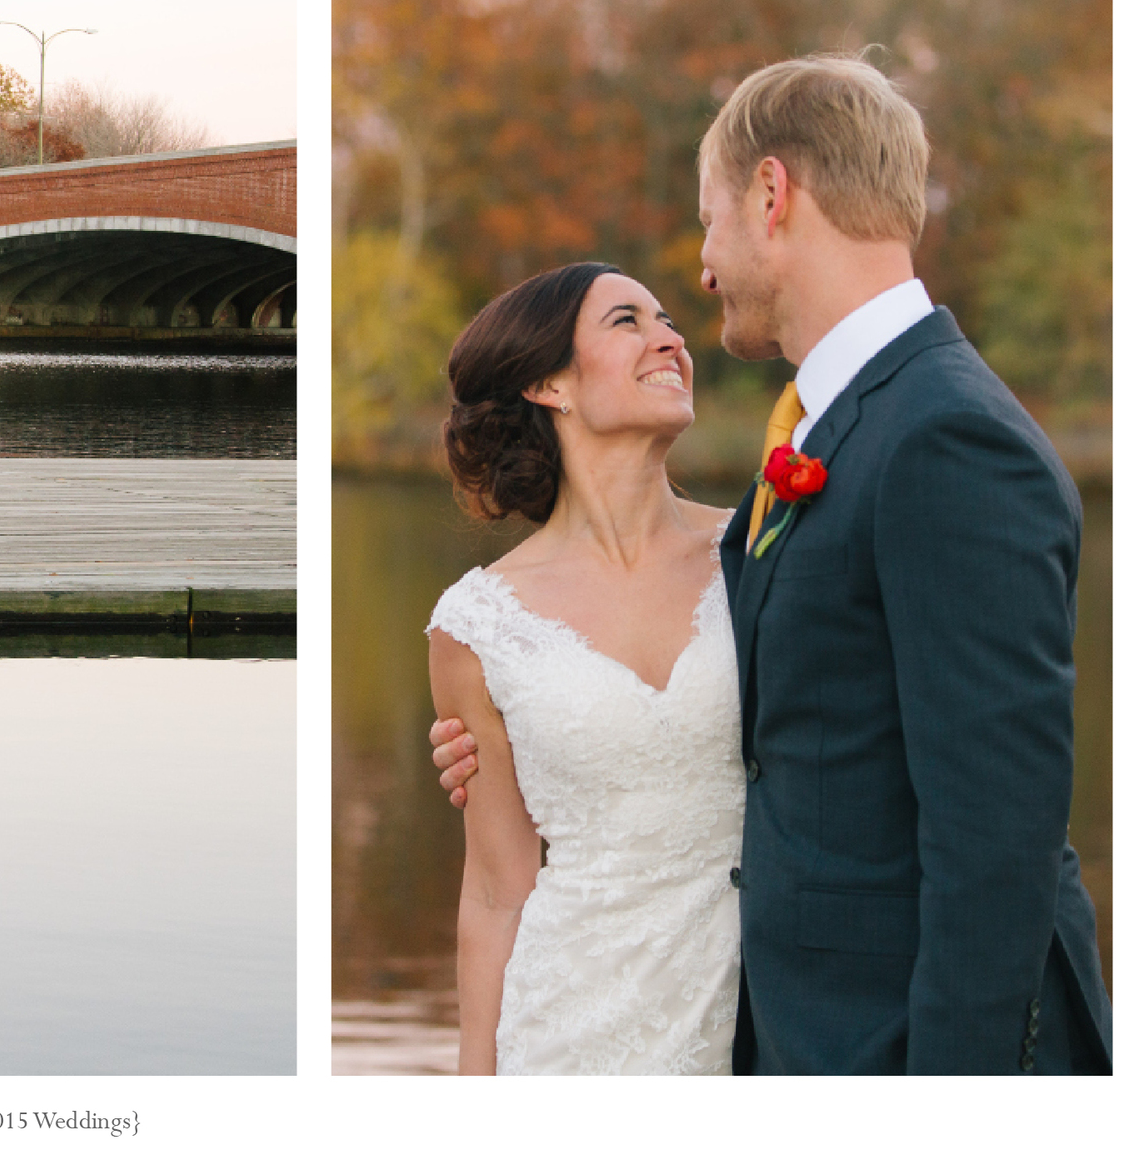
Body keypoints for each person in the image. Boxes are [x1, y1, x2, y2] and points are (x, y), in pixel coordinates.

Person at [432, 53, 1110, 1074]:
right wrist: (527, 748)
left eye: (707, 221)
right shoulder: (827, 449)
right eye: (631, 318)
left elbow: (994, 849)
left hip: (904, 1052)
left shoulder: (944, 439)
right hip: (736, 1035)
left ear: (768, 193)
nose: (699, 273)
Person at [426, 261, 742, 1074]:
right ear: (548, 383)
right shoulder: (478, 624)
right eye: (627, 321)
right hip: (565, 1036)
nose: (670, 337)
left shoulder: (758, 553)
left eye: (669, 320)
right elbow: (497, 890)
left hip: (752, 1019)